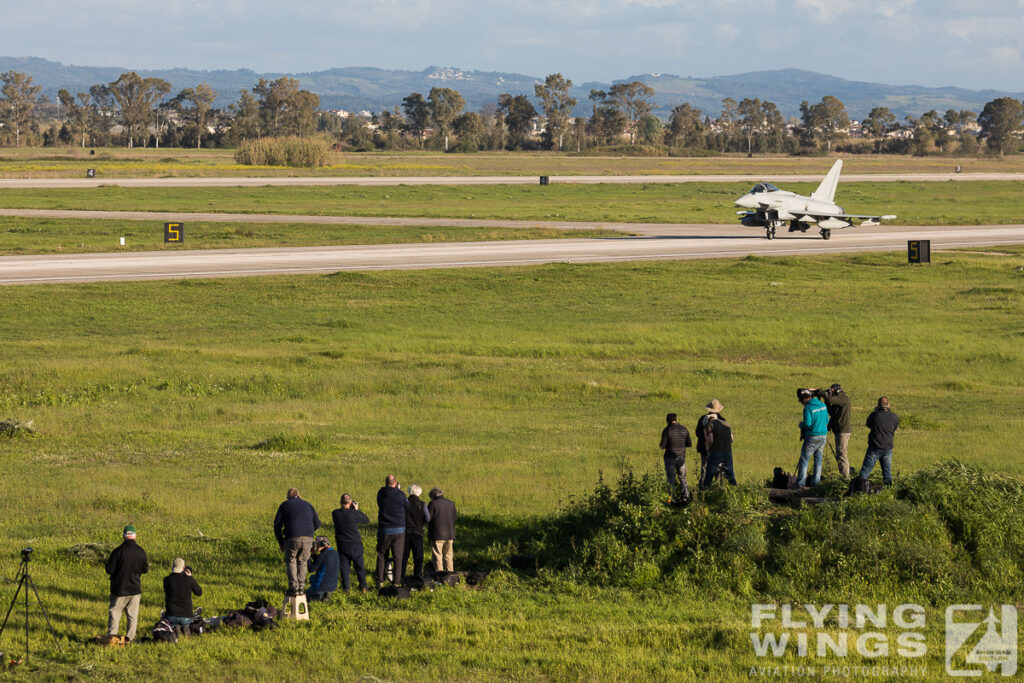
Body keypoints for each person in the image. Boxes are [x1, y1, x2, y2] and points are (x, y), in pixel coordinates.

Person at [273, 487, 321, 596]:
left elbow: (277, 526)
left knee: (291, 560)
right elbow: (317, 523)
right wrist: (308, 531)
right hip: (308, 538)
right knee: (303, 561)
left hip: (292, 537)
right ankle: (301, 587)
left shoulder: (285, 505)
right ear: (299, 495)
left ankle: (293, 587)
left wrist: (281, 542)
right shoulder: (308, 504)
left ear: (288, 497)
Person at [105, 524, 149, 642]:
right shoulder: (141, 552)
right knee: (132, 616)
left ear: (124, 536)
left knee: (115, 613)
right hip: (134, 589)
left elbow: (109, 570)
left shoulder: (117, 552)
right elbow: (145, 570)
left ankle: (112, 637)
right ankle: (129, 638)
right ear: (135, 536)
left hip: (119, 589)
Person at [332, 494, 370, 593]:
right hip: (355, 543)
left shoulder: (335, 513)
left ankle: (346, 588)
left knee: (344, 567)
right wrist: (356, 509)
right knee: (359, 566)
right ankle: (363, 586)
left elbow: (343, 513)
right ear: (350, 502)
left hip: (342, 544)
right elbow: (366, 520)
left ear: (340, 502)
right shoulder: (354, 513)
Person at [859, 396, 900, 486]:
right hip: (888, 447)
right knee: (887, 472)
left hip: (875, 447)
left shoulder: (874, 415)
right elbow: (894, 429)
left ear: (878, 405)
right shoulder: (894, 416)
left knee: (865, 471)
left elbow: (868, 424)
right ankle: (889, 491)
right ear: (888, 405)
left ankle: (860, 489)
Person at [376, 475, 408, 587]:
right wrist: (398, 490)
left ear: (386, 483)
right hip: (398, 530)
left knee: (381, 555)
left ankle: (380, 580)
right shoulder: (400, 494)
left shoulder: (381, 493)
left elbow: (380, 504)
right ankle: (396, 582)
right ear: (395, 483)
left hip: (384, 529)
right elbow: (407, 506)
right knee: (398, 557)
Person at [795, 389, 829, 488]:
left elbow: (808, 424)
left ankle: (800, 484)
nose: (802, 404)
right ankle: (816, 484)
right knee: (818, 460)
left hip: (812, 436)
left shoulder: (808, 408)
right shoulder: (823, 405)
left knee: (804, 460)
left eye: (802, 402)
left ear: (805, 399)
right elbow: (827, 420)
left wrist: (801, 425)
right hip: (823, 436)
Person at [820, 383, 853, 478]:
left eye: (832, 391)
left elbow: (830, 399)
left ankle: (845, 478)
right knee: (840, 454)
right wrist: (828, 427)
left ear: (837, 391)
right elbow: (832, 413)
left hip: (843, 431)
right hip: (839, 430)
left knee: (842, 454)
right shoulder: (838, 401)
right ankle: (844, 475)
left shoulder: (844, 399)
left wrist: (822, 392)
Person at [660, 413, 692, 501]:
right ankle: (686, 496)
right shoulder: (684, 429)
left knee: (671, 479)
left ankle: (672, 498)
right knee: (682, 477)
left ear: (668, 420)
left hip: (670, 458)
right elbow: (689, 444)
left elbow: (662, 445)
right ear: (675, 419)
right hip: (681, 457)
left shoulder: (667, 430)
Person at [700, 412, 737, 488]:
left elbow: (710, 440)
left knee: (709, 476)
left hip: (716, 453)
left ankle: (704, 493)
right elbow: (732, 439)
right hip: (727, 453)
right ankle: (736, 490)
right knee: (730, 475)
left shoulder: (711, 425)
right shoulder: (726, 424)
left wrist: (708, 448)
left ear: (709, 420)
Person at [163, 558, 202, 629]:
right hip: (186, 616)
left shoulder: (166, 580)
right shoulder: (189, 580)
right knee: (187, 622)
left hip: (171, 615)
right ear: (183, 568)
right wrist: (191, 577)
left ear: (173, 566)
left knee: (165, 617)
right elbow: (199, 592)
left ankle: (175, 628)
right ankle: (183, 628)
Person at [402, 484, 431, 579]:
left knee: (404, 556)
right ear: (419, 493)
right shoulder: (422, 504)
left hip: (405, 532)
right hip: (418, 533)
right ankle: (417, 576)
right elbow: (428, 518)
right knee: (418, 556)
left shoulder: (404, 503)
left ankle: (401, 576)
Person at [695, 400, 726, 485]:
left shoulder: (702, 419)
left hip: (704, 449)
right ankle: (717, 487)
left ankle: (703, 487)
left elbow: (697, 432)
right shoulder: (722, 420)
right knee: (718, 470)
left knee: (704, 469)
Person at [427, 487, 457, 573]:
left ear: (433, 496)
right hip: (450, 534)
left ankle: (439, 576)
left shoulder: (432, 504)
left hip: (437, 535)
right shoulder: (451, 503)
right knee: (448, 556)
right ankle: (450, 575)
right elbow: (455, 518)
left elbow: (428, 518)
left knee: (437, 556)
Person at [306, 536, 340, 601]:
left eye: (316, 544)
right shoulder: (334, 553)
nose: (315, 546)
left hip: (320, 586)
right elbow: (319, 563)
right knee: (312, 578)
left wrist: (307, 557)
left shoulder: (323, 555)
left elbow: (311, 569)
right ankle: (325, 595)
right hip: (332, 586)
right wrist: (313, 554)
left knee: (304, 597)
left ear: (323, 543)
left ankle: (318, 596)